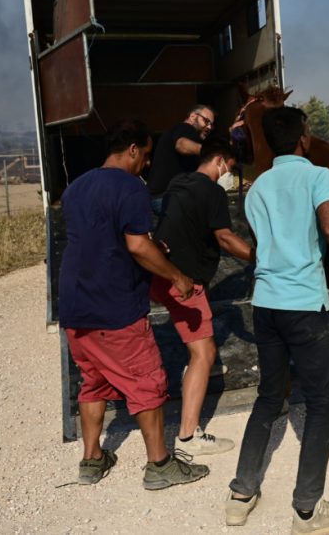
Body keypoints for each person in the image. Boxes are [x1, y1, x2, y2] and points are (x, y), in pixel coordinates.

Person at [224, 106, 329, 534]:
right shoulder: (319, 177)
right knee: (321, 405)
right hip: (303, 306)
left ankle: (241, 495)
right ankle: (307, 510)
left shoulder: (256, 188)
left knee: (267, 397)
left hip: (265, 305)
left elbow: (263, 244)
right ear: (304, 138)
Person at [57, 119, 209, 489]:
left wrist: (154, 249)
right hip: (114, 304)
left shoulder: (76, 187)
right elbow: (136, 246)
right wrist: (176, 275)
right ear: (133, 150)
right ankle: (160, 465)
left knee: (92, 382)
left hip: (75, 303)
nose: (149, 164)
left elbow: (101, 240)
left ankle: (92, 459)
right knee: (147, 381)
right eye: (147, 155)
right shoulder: (130, 187)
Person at [150, 137, 254, 457]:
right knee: (204, 353)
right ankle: (188, 434)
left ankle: (186, 390)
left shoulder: (178, 181)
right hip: (185, 281)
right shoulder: (212, 191)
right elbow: (224, 237)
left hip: (159, 273)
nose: (229, 176)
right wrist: (261, 257)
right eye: (230, 169)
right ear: (220, 161)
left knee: (196, 350)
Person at [146, 105, 216, 214]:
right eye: (206, 121)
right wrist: (211, 152)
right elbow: (181, 145)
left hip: (159, 198)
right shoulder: (186, 128)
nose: (209, 127)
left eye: (211, 124)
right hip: (168, 198)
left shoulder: (174, 130)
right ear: (193, 116)